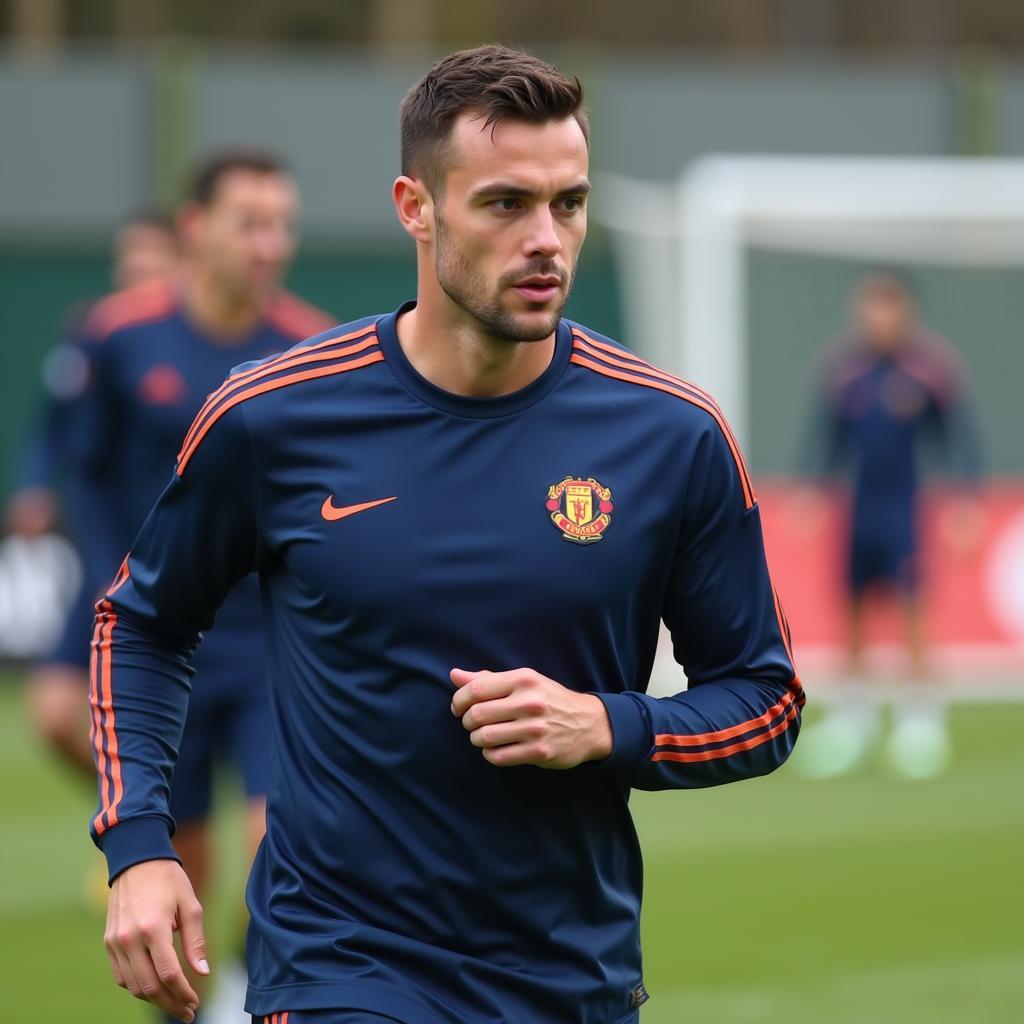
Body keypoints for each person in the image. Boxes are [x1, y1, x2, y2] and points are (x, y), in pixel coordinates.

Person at [90, 46, 803, 1024]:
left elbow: (765, 701)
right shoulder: (273, 415)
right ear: (414, 208)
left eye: (569, 202)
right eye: (505, 203)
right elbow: (142, 624)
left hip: (571, 976)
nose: (546, 238)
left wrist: (608, 724)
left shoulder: (670, 434)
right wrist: (139, 848)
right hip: (340, 964)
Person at [60, 151, 331, 1023]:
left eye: (282, 223)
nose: (269, 243)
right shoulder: (120, 334)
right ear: (195, 229)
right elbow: (85, 470)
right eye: (249, 222)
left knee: (278, 846)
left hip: (268, 647)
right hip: (162, 641)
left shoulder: (313, 350)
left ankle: (257, 989)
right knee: (183, 872)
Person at [795, 271, 981, 780]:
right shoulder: (846, 373)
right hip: (858, 509)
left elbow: (959, 439)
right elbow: (825, 438)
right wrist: (811, 488)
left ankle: (920, 721)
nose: (876, 317)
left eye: (886, 306)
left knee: (912, 606)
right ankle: (853, 720)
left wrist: (967, 500)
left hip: (903, 510)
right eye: (868, 307)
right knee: (851, 607)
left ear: (906, 311)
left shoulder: (928, 372)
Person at [20, 211, 180, 771]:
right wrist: (35, 484)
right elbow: (56, 425)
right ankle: (132, 808)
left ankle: (152, 814)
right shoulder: (96, 332)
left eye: (149, 264)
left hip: (181, 572)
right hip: (108, 556)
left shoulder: (209, 342)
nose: (134, 275)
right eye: (127, 264)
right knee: (53, 714)